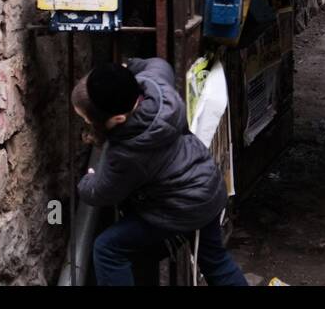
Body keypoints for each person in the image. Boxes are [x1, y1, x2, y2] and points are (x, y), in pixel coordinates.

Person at [74, 58, 247, 286]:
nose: (86, 123)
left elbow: (101, 193)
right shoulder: (156, 85)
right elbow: (158, 63)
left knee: (108, 248)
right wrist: (127, 68)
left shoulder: (127, 153)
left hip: (177, 208)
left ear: (118, 119)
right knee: (215, 260)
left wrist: (88, 179)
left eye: (87, 119)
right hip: (207, 188)